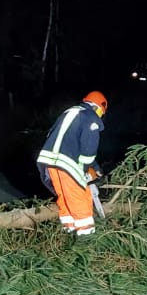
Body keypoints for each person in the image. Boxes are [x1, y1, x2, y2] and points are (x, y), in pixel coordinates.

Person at [37, 90, 107, 237]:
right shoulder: (91, 119)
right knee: (79, 197)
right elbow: (88, 150)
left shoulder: (70, 112)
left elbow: (66, 141)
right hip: (67, 164)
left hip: (50, 162)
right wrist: (84, 170)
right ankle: (86, 238)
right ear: (98, 107)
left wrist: (96, 169)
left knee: (65, 197)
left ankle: (68, 231)